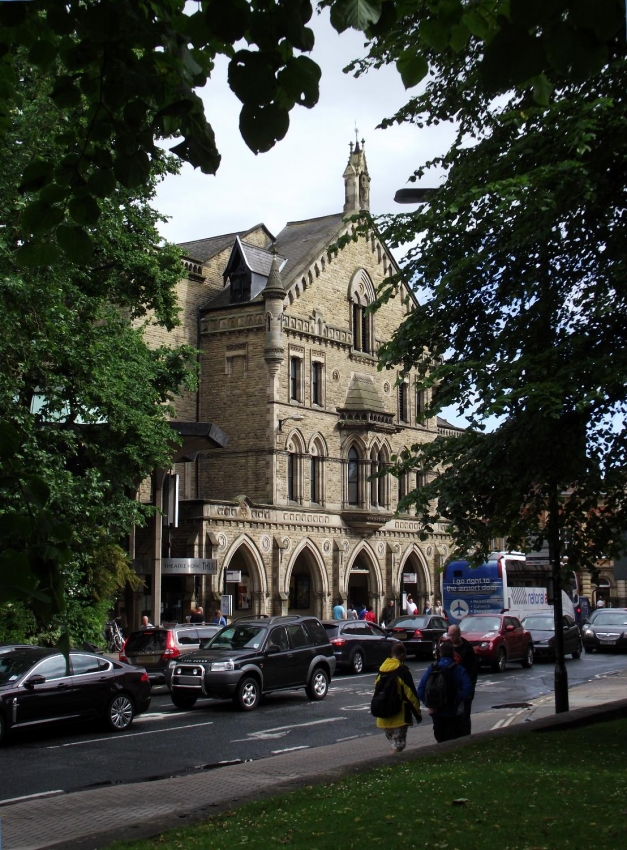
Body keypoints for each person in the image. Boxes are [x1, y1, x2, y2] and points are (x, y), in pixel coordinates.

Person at [418, 641, 472, 743]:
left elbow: (420, 690)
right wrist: (456, 699)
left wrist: (429, 704)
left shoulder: (432, 669)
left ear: (440, 653)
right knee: (454, 740)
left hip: (437, 712)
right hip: (453, 712)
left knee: (440, 740)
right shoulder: (458, 669)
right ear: (453, 653)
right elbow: (468, 688)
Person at [374, 643, 422, 752]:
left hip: (383, 717)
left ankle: (394, 763)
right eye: (404, 655)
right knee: (398, 745)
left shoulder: (381, 671)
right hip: (399, 717)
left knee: (394, 743)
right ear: (401, 655)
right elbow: (411, 695)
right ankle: (389, 765)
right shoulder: (402, 672)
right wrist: (417, 714)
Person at [445, 623, 478, 736]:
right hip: (450, 689)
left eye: (452, 635)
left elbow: (472, 672)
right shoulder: (447, 646)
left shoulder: (467, 649)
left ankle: (465, 738)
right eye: (449, 635)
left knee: (464, 716)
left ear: (459, 634)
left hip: (464, 689)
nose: (450, 638)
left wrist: (469, 690)